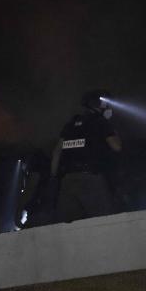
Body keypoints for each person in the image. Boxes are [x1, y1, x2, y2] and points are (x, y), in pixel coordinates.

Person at [52, 90, 122, 222]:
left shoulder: (71, 124)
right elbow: (117, 146)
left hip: (67, 180)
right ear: (100, 105)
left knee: (66, 225)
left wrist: (54, 178)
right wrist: (110, 126)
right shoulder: (100, 122)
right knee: (106, 222)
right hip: (90, 180)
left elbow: (57, 152)